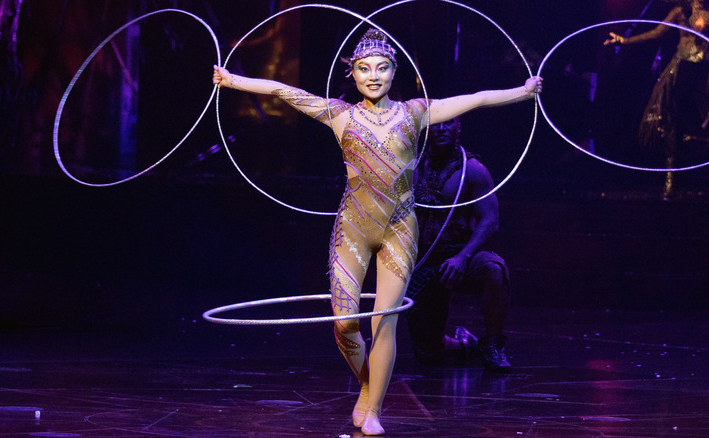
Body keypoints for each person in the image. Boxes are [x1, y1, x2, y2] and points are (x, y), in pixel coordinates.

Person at [213, 28, 542, 435]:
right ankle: (368, 388)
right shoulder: (339, 114)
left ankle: (373, 409)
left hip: (399, 232)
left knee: (383, 321)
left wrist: (523, 92)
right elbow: (282, 90)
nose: (373, 75)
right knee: (345, 323)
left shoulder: (415, 112)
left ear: (393, 71)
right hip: (352, 229)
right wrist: (232, 81)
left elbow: (473, 100)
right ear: (351, 73)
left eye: (382, 68)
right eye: (364, 69)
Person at [604, 0, 709, 202]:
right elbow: (657, 32)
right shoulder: (680, 12)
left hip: (705, 72)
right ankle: (670, 182)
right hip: (680, 71)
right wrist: (624, 41)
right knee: (672, 123)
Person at [406, 117, 512, 372]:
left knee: (494, 268)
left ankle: (493, 344)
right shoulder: (411, 167)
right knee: (428, 354)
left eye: (448, 124)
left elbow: (490, 220)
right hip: (424, 262)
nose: (441, 130)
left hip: (459, 258)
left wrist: (463, 257)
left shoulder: (472, 169)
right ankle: (465, 345)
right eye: (435, 125)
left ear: (458, 127)